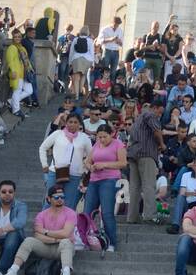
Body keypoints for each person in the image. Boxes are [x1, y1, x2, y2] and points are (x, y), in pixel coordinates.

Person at [1, 189, 77, 275]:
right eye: (56, 197)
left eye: (62, 197)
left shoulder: (71, 213)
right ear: (48, 199)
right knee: (29, 240)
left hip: (63, 249)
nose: (60, 199)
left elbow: (66, 234)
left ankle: (66, 272)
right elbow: (37, 235)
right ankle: (13, 270)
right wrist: (55, 239)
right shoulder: (41, 215)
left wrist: (45, 232)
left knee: (66, 242)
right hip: (45, 247)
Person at [82, 121, 127, 250]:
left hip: (110, 180)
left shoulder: (118, 144)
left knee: (107, 212)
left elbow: (123, 163)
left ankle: (111, 242)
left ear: (111, 134)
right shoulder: (96, 144)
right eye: (99, 137)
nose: (101, 139)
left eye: (104, 137)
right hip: (94, 180)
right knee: (87, 212)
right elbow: (87, 161)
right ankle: (85, 240)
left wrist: (104, 165)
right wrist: (90, 166)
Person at [38, 113, 94, 210]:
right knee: (50, 201)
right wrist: (44, 164)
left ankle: (66, 224)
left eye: (75, 122)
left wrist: (84, 169)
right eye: (70, 122)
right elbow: (43, 147)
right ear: (66, 123)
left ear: (80, 124)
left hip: (74, 175)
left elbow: (91, 156)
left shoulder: (84, 138)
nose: (72, 124)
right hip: (55, 172)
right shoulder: (58, 134)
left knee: (69, 204)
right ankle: (44, 224)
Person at [126, 94, 167, 224]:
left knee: (134, 187)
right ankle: (150, 215)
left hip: (133, 154)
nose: (159, 115)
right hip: (146, 153)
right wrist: (161, 144)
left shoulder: (138, 119)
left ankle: (132, 217)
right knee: (149, 185)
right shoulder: (150, 115)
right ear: (154, 108)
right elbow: (156, 130)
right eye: (159, 112)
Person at [0, 180, 29, 275]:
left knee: (13, 233)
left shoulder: (21, 206)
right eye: (4, 192)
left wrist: (1, 230)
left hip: (14, 240)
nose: (7, 194)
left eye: (10, 191)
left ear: (14, 193)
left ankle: (0, 270)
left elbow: (20, 222)